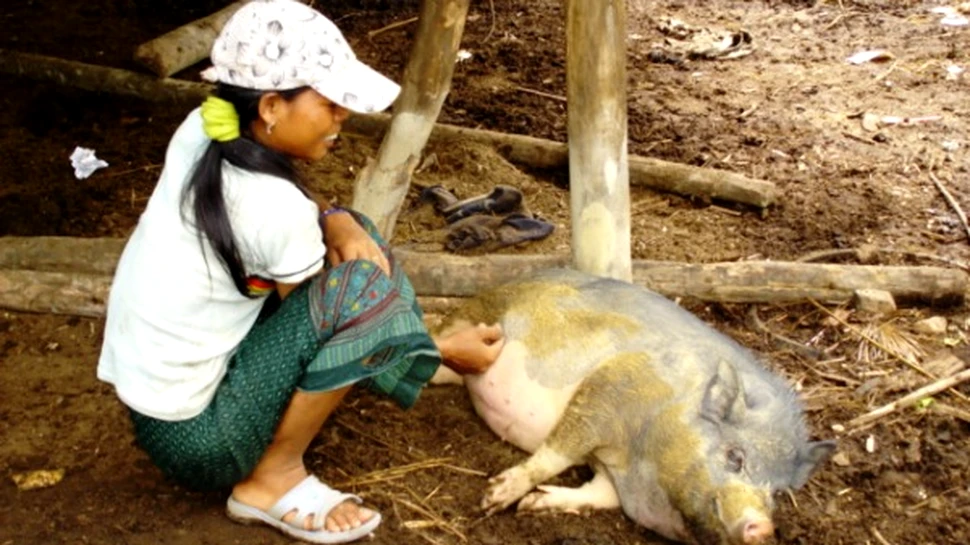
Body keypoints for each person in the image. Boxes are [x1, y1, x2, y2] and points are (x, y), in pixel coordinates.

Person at [96, 1, 505, 543]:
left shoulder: (206, 128)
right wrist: (441, 352)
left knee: (353, 236)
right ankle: (272, 477)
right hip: (201, 443)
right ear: (270, 106)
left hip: (157, 407)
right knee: (360, 286)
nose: (343, 116)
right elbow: (337, 321)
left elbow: (306, 239)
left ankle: (415, 354)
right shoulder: (274, 208)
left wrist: (336, 219)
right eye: (330, 103)